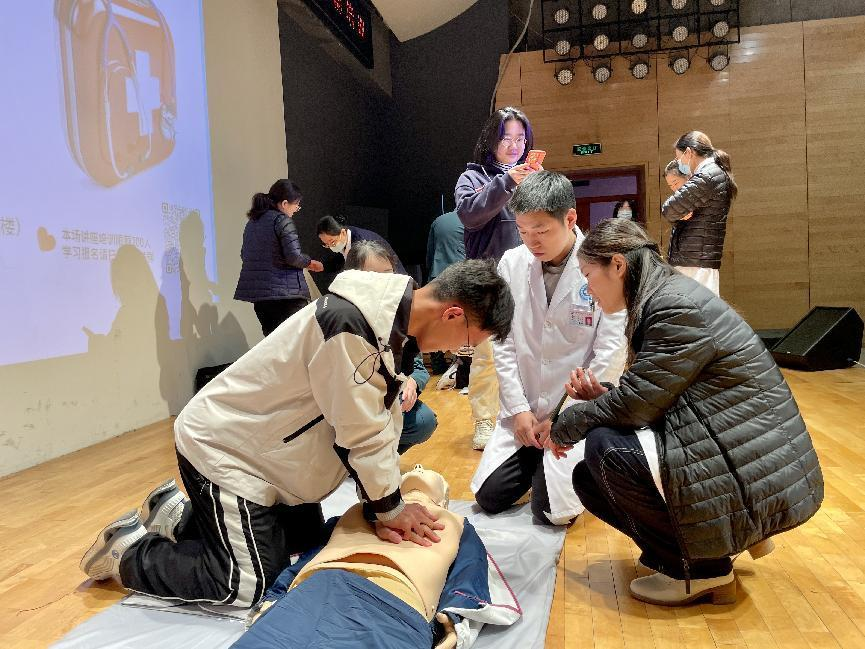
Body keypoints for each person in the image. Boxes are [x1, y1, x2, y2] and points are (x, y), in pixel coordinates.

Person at [80, 259, 515, 608]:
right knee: (245, 583)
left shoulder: (390, 327)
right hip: (228, 451)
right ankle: (127, 553)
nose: (459, 351)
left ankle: (178, 517)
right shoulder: (352, 325)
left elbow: (375, 425)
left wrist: (386, 503)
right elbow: (362, 434)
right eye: (468, 342)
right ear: (452, 314)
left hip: (269, 455)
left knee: (306, 541)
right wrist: (390, 509)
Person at [544, 218, 823, 606]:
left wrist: (565, 424)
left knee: (605, 450)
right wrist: (602, 397)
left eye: (589, 275)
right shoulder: (667, 294)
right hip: (737, 450)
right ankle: (703, 549)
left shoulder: (673, 306)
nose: (588, 289)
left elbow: (639, 404)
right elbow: (657, 391)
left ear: (618, 265)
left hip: (750, 466)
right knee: (589, 476)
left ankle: (706, 570)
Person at [471, 172, 627, 525]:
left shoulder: (604, 267)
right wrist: (518, 410)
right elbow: (504, 343)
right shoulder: (511, 263)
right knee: (488, 497)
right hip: (527, 408)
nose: (531, 241)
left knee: (552, 513)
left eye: (541, 230)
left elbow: (610, 354)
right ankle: (536, 453)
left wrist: (563, 417)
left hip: (575, 412)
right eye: (523, 231)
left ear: (570, 219)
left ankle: (578, 468)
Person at [232, 467, 520, 649]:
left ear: (442, 500)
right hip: (325, 589)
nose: (419, 472)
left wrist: (454, 621)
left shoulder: (454, 523)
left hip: (388, 603)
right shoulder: (361, 511)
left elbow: (469, 569)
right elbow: (313, 553)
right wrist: (453, 622)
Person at [455, 106, 540, 449]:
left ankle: (525, 413)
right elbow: (469, 215)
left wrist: (539, 188)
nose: (514, 145)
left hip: (530, 278)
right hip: (488, 282)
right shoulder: (472, 177)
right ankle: (485, 419)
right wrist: (507, 181)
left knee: (530, 350)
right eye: (506, 138)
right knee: (488, 355)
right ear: (491, 140)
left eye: (521, 138)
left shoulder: (531, 176)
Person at [345, 241, 438, 454]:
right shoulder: (345, 316)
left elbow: (418, 368)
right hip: (353, 404)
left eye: (388, 274)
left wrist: (411, 382)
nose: (384, 283)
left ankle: (385, 457)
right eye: (373, 276)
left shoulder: (401, 313)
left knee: (423, 421)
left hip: (388, 399)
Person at [234, 180, 324, 336]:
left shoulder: (252, 223)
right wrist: (310, 262)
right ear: (284, 203)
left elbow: (244, 254)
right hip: (286, 296)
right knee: (296, 341)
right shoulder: (282, 221)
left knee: (273, 342)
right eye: (296, 205)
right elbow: (293, 257)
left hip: (260, 297)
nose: (296, 209)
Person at [660, 131, 738, 296]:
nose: (679, 163)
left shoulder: (707, 175)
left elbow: (669, 209)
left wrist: (678, 213)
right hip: (697, 260)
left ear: (689, 152)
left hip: (695, 263)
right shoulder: (713, 173)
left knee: (695, 310)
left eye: (679, 158)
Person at [426, 210, 465, 376]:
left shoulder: (439, 220)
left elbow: (430, 252)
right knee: (462, 319)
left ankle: (437, 362)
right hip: (462, 275)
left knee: (436, 320)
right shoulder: (474, 219)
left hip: (438, 275)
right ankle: (461, 363)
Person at [316, 214, 407, 275]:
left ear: (342, 233)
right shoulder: (345, 236)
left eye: (332, 242)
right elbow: (342, 258)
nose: (331, 247)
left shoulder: (362, 243)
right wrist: (323, 266)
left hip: (392, 278)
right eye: (326, 244)